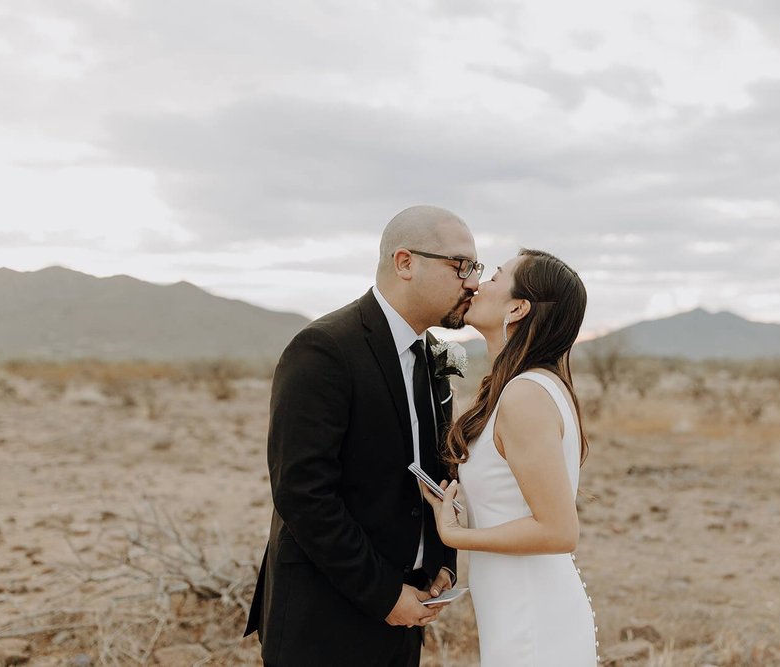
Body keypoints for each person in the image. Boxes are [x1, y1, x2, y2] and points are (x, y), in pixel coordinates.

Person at [244, 206, 483, 666]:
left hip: (409, 609)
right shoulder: (325, 349)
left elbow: (436, 474)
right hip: (325, 615)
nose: (472, 281)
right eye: (460, 265)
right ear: (405, 262)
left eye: (475, 268)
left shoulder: (433, 355)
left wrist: (442, 565)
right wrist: (384, 595)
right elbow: (302, 494)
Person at [421, 248, 599, 666]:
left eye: (495, 277)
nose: (478, 284)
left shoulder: (525, 395)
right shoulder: (525, 386)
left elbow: (558, 530)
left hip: (532, 617)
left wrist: (455, 535)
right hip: (516, 608)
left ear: (517, 307)